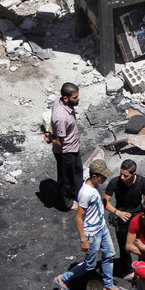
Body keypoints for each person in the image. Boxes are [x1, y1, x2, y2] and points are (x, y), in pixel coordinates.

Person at [54, 160, 129, 290]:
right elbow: (78, 218)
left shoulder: (95, 186)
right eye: (103, 176)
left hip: (102, 227)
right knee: (90, 265)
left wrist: (113, 214)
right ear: (94, 176)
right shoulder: (85, 193)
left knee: (109, 254)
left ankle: (108, 284)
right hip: (92, 233)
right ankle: (63, 279)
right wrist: (83, 240)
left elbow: (100, 204)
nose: (105, 179)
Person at [103, 159, 145, 280]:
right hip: (122, 217)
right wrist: (118, 212)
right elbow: (104, 202)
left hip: (138, 216)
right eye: (121, 174)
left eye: (126, 175)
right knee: (124, 246)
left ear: (133, 174)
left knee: (142, 242)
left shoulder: (143, 182)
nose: (122, 177)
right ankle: (127, 271)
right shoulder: (115, 182)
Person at [46, 82, 83, 211]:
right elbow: (60, 142)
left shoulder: (60, 100)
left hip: (74, 147)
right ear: (66, 98)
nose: (78, 99)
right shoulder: (61, 117)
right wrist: (50, 138)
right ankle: (66, 202)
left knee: (77, 172)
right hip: (66, 152)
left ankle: (78, 193)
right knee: (66, 178)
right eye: (75, 97)